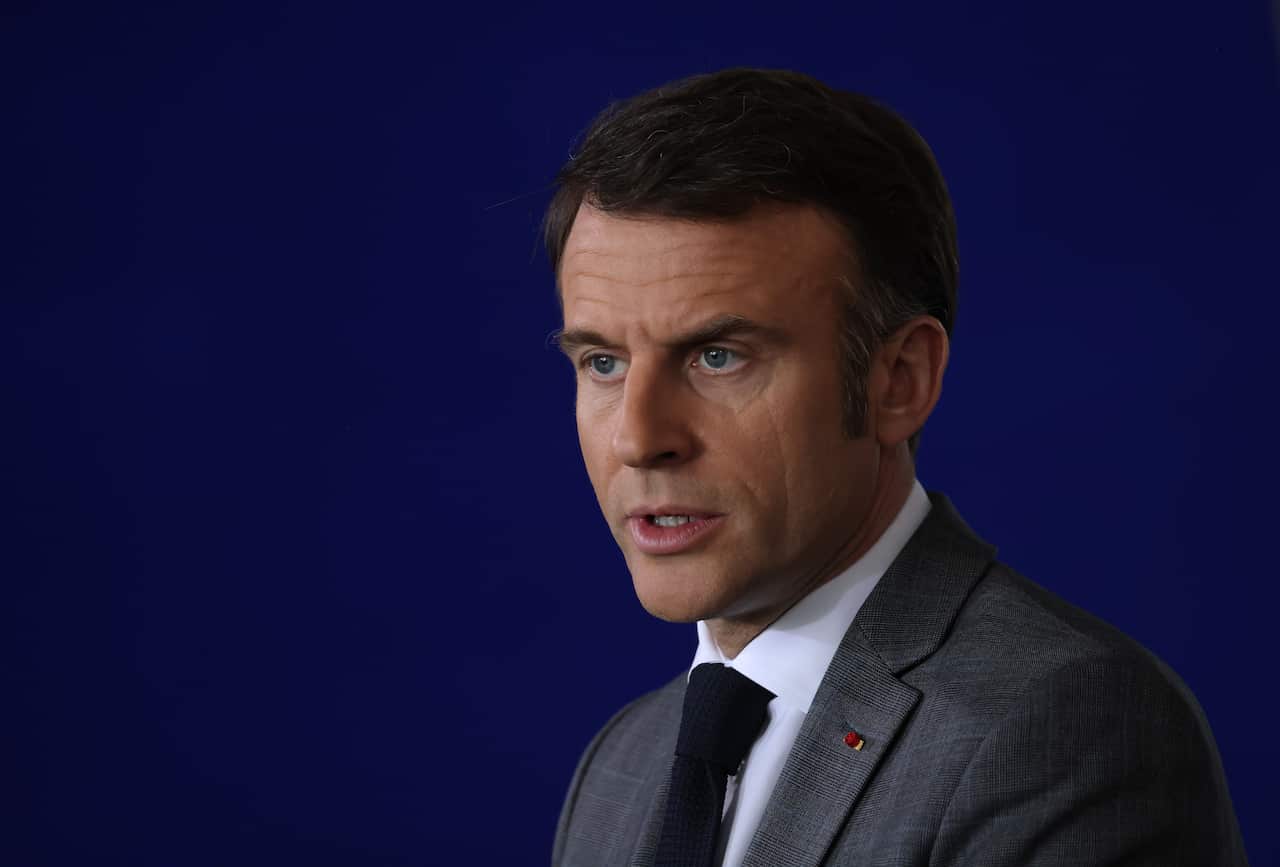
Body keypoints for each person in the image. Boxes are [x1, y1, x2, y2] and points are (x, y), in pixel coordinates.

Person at [544, 68, 1247, 867]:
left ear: (900, 380)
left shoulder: (1066, 729)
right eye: (602, 362)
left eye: (716, 356)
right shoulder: (620, 765)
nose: (639, 437)